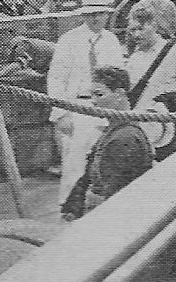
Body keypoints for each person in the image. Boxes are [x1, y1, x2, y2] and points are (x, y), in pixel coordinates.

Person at [46, 0, 126, 209]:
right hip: (78, 107)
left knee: (105, 161)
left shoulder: (111, 41)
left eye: (101, 14)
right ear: (83, 15)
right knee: (75, 162)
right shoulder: (69, 40)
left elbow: (119, 78)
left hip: (105, 110)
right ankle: (70, 208)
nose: (97, 18)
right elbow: (56, 79)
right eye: (91, 14)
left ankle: (100, 211)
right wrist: (61, 114)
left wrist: (119, 113)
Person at [62, 65, 153, 219]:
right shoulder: (116, 130)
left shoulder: (125, 138)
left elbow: (113, 194)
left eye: (99, 95)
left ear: (119, 94)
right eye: (92, 95)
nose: (94, 102)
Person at [124, 2, 176, 159]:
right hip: (140, 128)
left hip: (169, 128)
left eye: (141, 28)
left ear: (153, 25)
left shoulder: (175, 52)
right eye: (133, 30)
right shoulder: (134, 58)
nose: (137, 35)